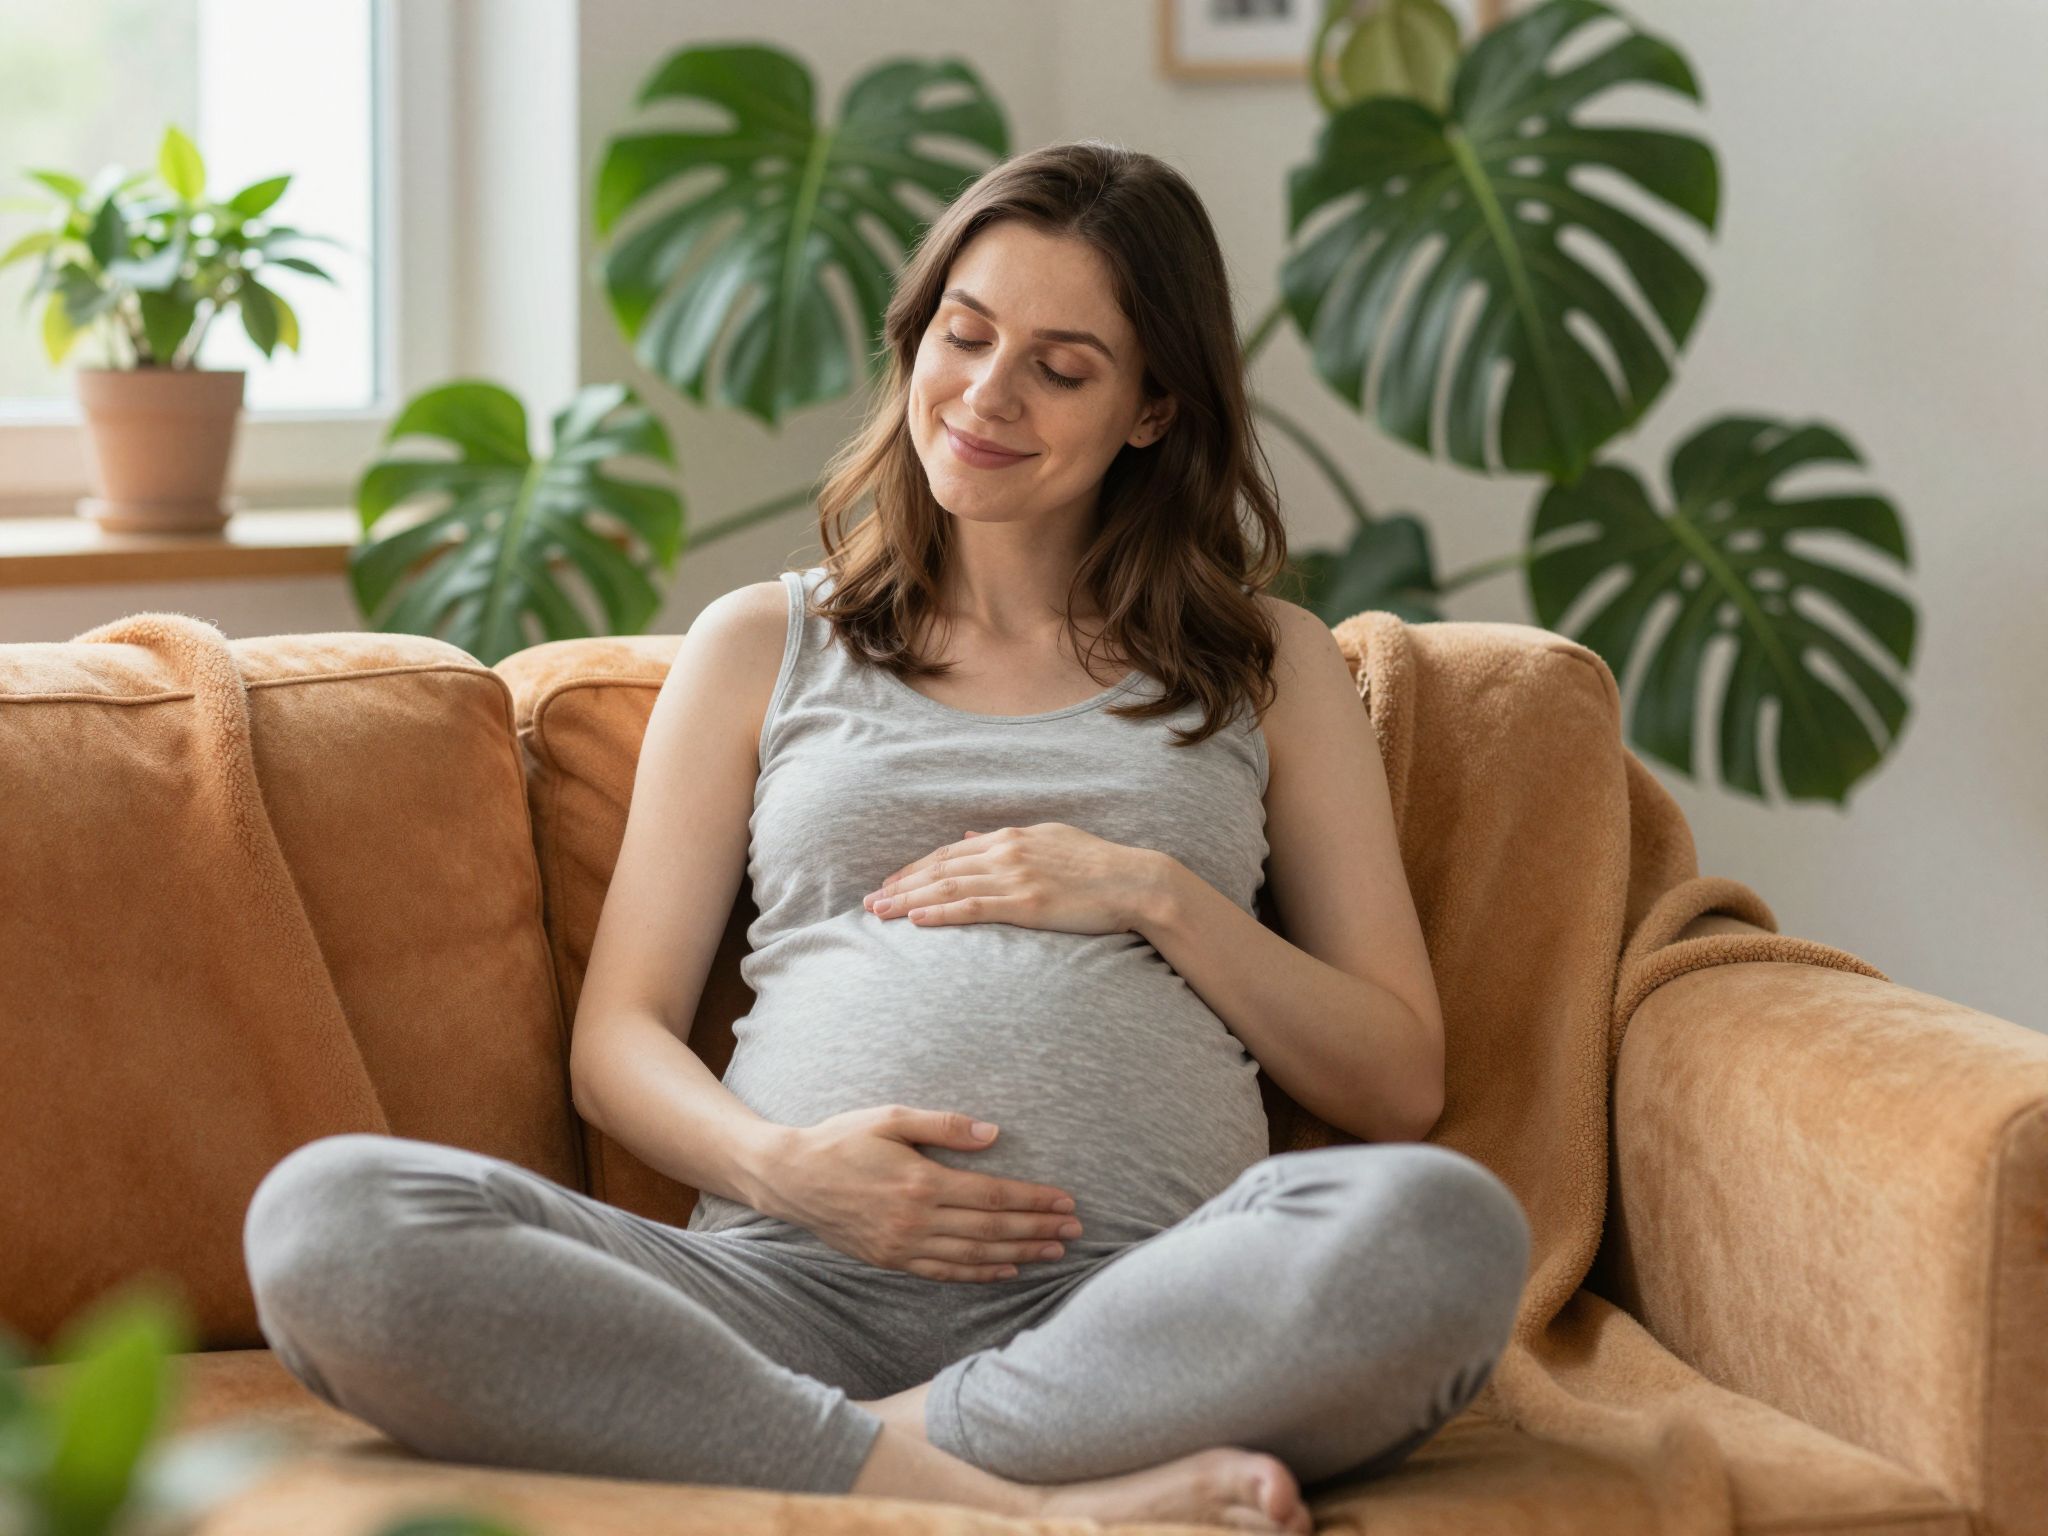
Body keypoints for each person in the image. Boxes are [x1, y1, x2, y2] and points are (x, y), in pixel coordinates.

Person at [243, 139, 1530, 1534]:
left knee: (1441, 1234)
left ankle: (848, 1456)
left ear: (1155, 407)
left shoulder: (1266, 666)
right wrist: (783, 1170)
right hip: (773, 1289)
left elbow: (1397, 1078)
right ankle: (1037, 1504)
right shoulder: (761, 644)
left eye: (1063, 365)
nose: (987, 394)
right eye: (964, 336)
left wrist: (1153, 892)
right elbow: (617, 1037)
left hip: (1137, 1310)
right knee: (330, 1223)